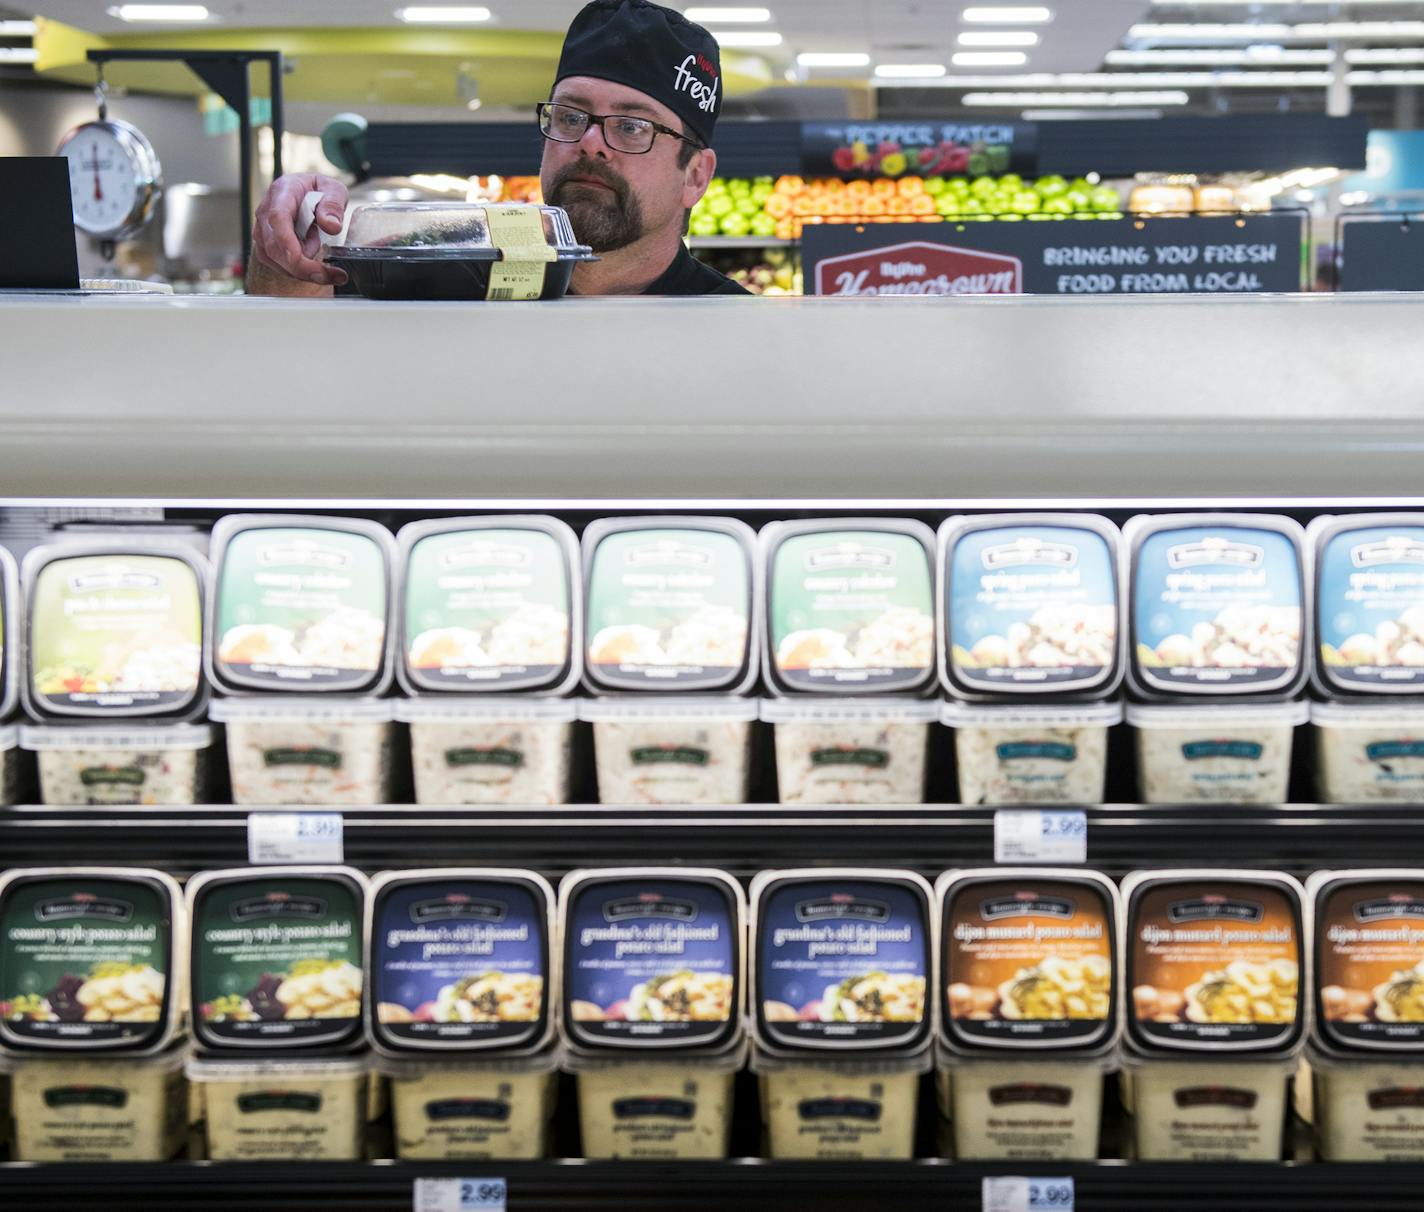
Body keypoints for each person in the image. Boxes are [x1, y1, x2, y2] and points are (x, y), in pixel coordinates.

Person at [248, 0, 749, 297]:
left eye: (633, 127)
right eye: (572, 116)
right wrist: (287, 249)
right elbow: (289, 354)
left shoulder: (744, 332)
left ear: (696, 177)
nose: (590, 143)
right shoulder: (457, 277)